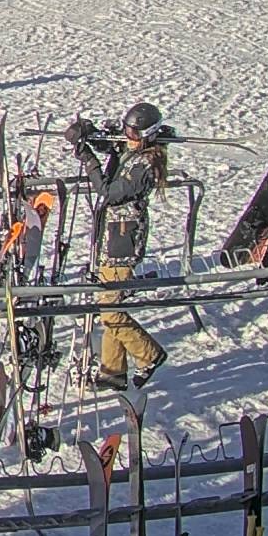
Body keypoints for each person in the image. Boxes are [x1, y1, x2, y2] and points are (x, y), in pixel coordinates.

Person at [76, 106, 171, 390]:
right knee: (110, 304)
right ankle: (113, 370)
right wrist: (94, 137)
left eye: (133, 133)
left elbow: (109, 192)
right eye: (126, 130)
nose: (128, 137)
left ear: (148, 135)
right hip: (113, 237)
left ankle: (149, 354)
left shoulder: (145, 165)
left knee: (110, 310)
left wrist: (87, 158)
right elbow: (115, 151)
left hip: (123, 242)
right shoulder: (133, 152)